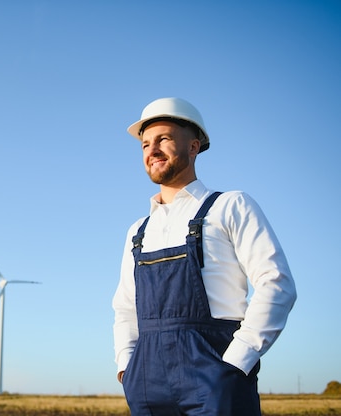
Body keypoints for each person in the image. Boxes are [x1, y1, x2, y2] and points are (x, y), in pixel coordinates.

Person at [112, 97, 297, 415]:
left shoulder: (231, 206)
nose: (152, 150)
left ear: (194, 147)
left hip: (215, 375)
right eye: (145, 144)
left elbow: (277, 285)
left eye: (164, 139)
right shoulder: (137, 232)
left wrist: (236, 363)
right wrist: (127, 368)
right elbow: (126, 308)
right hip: (146, 382)